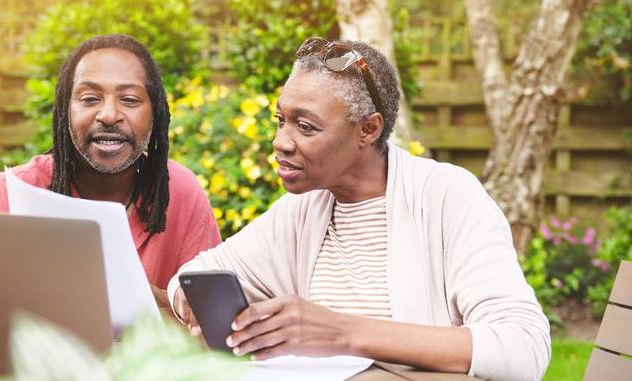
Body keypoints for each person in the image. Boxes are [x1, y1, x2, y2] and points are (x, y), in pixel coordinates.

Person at [167, 37, 550, 380]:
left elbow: (523, 347)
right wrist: (202, 305)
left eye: (306, 127)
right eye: (281, 120)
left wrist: (340, 334)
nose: (280, 141)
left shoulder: (447, 196)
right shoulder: (305, 210)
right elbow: (198, 275)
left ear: (368, 130)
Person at [0, 34, 221, 308]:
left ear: (155, 112)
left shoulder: (180, 192)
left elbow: (210, 325)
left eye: (129, 99)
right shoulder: (8, 197)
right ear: (65, 110)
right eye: (90, 98)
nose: (108, 115)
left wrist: (149, 303)